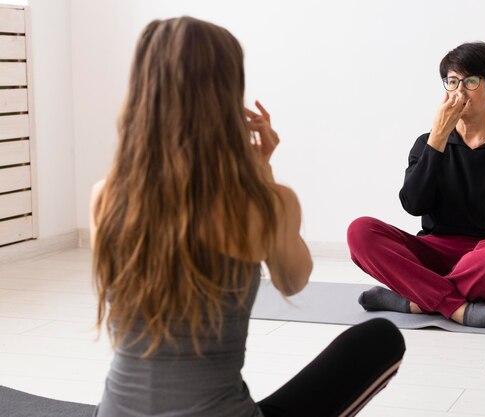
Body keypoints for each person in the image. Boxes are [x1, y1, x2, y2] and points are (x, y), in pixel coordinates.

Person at [90, 16, 405, 417]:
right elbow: (293, 281)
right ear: (226, 96)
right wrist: (263, 177)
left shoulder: (106, 197)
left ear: (143, 92)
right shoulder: (262, 204)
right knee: (380, 339)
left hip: (115, 412)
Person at [348, 42, 485, 331]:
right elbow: (414, 205)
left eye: (471, 81)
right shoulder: (427, 143)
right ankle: (461, 310)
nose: (459, 91)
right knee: (360, 231)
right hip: (433, 252)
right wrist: (437, 139)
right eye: (452, 81)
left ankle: (412, 300)